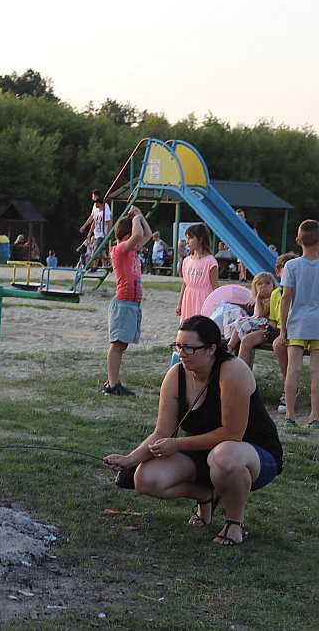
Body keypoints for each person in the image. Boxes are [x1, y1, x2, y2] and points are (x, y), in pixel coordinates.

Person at [104, 315, 282, 546]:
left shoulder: (232, 371)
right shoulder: (176, 375)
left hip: (254, 455)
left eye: (189, 348)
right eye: (178, 346)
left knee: (225, 454)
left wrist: (177, 445)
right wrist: (130, 459)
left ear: (211, 349)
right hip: (206, 453)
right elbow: (162, 433)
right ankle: (206, 496)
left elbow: (232, 434)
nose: (181, 353)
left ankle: (234, 522)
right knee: (145, 478)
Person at [104, 207, 152, 397]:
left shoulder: (131, 249)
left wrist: (140, 214)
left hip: (132, 304)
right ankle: (113, 384)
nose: (137, 240)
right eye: (132, 237)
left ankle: (111, 381)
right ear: (126, 236)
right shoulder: (119, 250)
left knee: (122, 344)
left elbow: (146, 234)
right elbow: (139, 233)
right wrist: (137, 218)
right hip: (123, 303)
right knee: (117, 344)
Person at [279, 219, 319, 428]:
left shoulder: (291, 266)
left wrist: (283, 328)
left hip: (298, 323)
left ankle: (290, 416)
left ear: (297, 240)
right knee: (316, 372)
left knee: (293, 370)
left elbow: (286, 298)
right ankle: (314, 416)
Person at [228, 272, 276, 365]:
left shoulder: (271, 299)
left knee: (241, 324)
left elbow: (259, 314)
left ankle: (239, 366)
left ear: (273, 285)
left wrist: (258, 299)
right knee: (237, 326)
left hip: (266, 326)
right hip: (257, 325)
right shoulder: (261, 300)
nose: (264, 286)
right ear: (255, 288)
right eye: (260, 284)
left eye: (267, 283)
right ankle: (230, 346)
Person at [270, 253, 298, 413]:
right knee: (279, 344)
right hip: (282, 330)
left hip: (298, 329)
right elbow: (274, 320)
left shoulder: (299, 291)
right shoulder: (276, 293)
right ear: (278, 271)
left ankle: (290, 389)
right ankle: (291, 388)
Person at [177, 223, 220, 321]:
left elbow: (215, 287)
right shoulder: (187, 260)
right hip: (188, 298)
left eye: (190, 238)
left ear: (200, 239)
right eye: (187, 238)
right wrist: (180, 303)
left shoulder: (210, 261)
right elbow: (185, 284)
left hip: (203, 299)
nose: (187, 242)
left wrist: (218, 305)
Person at [79, 190, 112, 269]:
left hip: (102, 233)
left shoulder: (105, 208)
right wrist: (86, 228)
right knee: (101, 252)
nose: (92, 198)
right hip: (97, 232)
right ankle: (110, 265)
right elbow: (93, 219)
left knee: (96, 251)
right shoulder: (95, 207)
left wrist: (107, 234)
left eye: (93, 196)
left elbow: (109, 221)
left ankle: (94, 267)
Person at [235, 209, 259, 282]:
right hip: (240, 244)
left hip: (248, 244)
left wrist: (255, 242)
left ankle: (256, 275)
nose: (240, 217)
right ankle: (244, 276)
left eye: (241, 215)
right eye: (238, 215)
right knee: (242, 261)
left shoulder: (249, 223)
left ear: (244, 215)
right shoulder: (236, 223)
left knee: (251, 260)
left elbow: (255, 233)